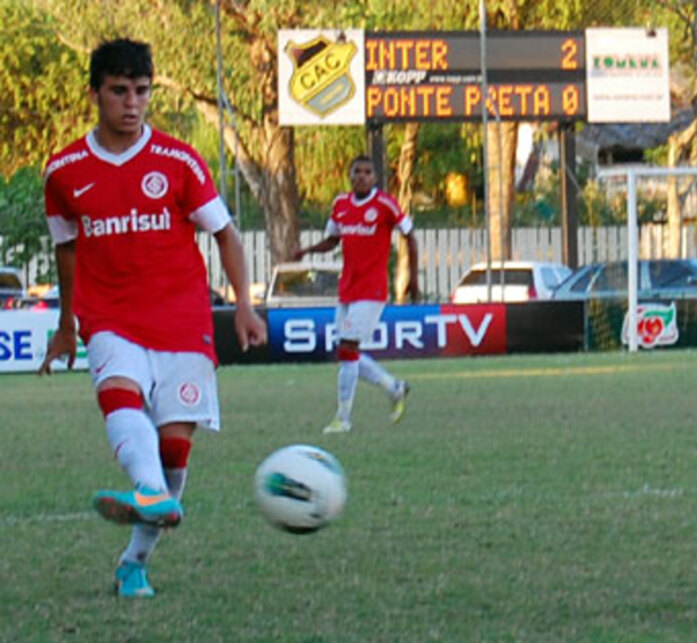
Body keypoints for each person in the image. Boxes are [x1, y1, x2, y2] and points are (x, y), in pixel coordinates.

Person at [39, 38, 267, 598]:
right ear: (95, 93)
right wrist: (68, 323)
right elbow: (66, 250)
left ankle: (134, 561)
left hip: (182, 319)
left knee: (175, 450)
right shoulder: (64, 171)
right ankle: (145, 487)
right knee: (119, 394)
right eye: (119, 91)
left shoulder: (178, 160)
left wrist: (242, 303)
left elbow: (225, 234)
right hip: (108, 315)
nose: (132, 103)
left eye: (141, 91)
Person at [292, 155, 419, 433]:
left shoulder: (384, 204)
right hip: (347, 288)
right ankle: (393, 387)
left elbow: (410, 234)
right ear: (350, 176)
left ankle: (343, 418)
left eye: (367, 172)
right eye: (357, 172)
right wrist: (308, 251)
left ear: (374, 178)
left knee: (348, 349)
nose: (362, 176)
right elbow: (332, 240)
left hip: (372, 290)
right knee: (346, 353)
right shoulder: (341, 204)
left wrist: (413, 277)